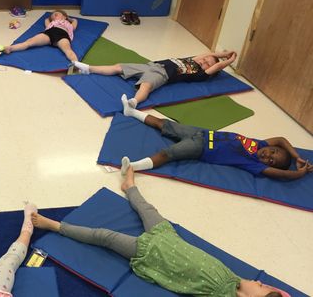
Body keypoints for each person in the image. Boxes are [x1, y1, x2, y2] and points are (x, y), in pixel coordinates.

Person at [32, 166, 286, 297]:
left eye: (262, 287)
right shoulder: (235, 279)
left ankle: (53, 225)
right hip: (167, 236)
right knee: (147, 209)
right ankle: (130, 186)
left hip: (152, 254)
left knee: (105, 237)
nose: (259, 281)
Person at [118, 95, 313, 180]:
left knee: (168, 153)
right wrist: (296, 156)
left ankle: (132, 167)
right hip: (202, 132)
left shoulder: (255, 164)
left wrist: (299, 173)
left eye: (271, 161)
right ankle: (131, 112)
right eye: (272, 152)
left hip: (199, 148)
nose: (267, 155)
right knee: (164, 124)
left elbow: (283, 174)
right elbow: (280, 139)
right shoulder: (261, 144)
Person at [72, 51, 237, 108]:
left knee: (145, 86)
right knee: (117, 67)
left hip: (162, 75)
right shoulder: (192, 60)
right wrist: (221, 54)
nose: (203, 61)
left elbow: (215, 66)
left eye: (207, 63)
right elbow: (208, 55)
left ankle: (133, 103)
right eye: (204, 59)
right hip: (150, 65)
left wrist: (228, 61)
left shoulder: (198, 73)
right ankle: (88, 68)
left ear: (208, 69)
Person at [4, 10, 78, 63]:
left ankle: (76, 64)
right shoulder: (51, 23)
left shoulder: (69, 24)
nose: (54, 16)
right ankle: (11, 48)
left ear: (64, 16)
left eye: (56, 14)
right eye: (52, 16)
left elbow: (75, 21)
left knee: (68, 50)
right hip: (49, 33)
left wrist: (68, 19)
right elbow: (46, 20)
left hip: (63, 35)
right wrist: (52, 18)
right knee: (29, 42)